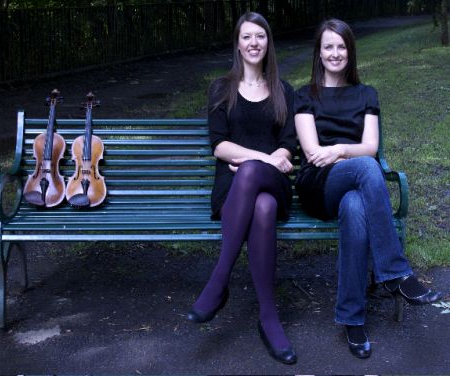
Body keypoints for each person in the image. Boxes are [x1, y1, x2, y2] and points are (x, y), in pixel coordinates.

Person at [293, 18, 442, 359]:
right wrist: (348, 151)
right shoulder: (305, 95)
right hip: (318, 186)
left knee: (357, 207)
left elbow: (371, 145)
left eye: (341, 46)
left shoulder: (366, 94)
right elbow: (315, 153)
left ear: (351, 51)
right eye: (327, 46)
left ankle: (352, 319)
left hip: (353, 183)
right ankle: (396, 274)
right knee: (364, 166)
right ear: (319, 52)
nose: (335, 53)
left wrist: (341, 150)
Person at [186, 12, 297, 364]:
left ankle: (219, 281)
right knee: (260, 204)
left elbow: (288, 145)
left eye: (260, 37)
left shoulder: (283, 90)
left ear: (268, 43)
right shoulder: (221, 88)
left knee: (252, 176)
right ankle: (269, 318)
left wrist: (257, 163)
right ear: (237, 43)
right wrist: (262, 159)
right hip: (233, 189)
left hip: (272, 182)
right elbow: (219, 146)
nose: (254, 43)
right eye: (247, 37)